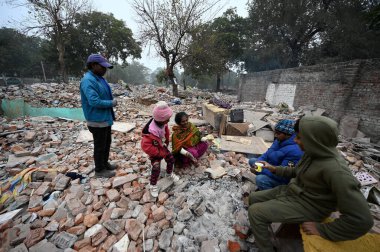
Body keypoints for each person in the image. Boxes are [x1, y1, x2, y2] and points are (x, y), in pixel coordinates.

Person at [248, 116, 373, 252]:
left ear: (315, 141)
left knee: (256, 212)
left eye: (300, 138)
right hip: (294, 192)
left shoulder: (337, 170)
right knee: (253, 198)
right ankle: (260, 230)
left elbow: (362, 220)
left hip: (310, 206)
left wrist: (323, 229)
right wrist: (274, 168)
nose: (295, 140)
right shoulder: (312, 153)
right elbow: (297, 171)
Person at [80, 54, 117, 178]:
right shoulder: (88, 80)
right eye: (103, 67)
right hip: (97, 119)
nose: (105, 70)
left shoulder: (99, 78)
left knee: (106, 143)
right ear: (93, 65)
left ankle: (105, 163)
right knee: (100, 146)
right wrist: (111, 103)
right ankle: (99, 170)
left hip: (105, 118)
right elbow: (94, 101)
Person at [248, 119, 303, 190]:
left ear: (287, 134)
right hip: (270, 167)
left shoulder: (295, 151)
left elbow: (283, 176)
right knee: (253, 161)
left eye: (278, 133)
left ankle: (272, 195)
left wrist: (259, 170)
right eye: (275, 132)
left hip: (281, 180)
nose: (275, 135)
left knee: (260, 179)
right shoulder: (278, 140)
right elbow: (267, 154)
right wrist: (258, 163)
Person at [141, 101, 180, 197]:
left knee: (171, 159)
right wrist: (158, 153)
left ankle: (169, 173)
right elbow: (145, 146)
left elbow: (166, 131)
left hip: (162, 146)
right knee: (156, 167)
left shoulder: (163, 123)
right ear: (160, 119)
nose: (168, 121)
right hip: (155, 151)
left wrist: (167, 140)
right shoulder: (150, 132)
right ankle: (153, 184)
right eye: (167, 119)